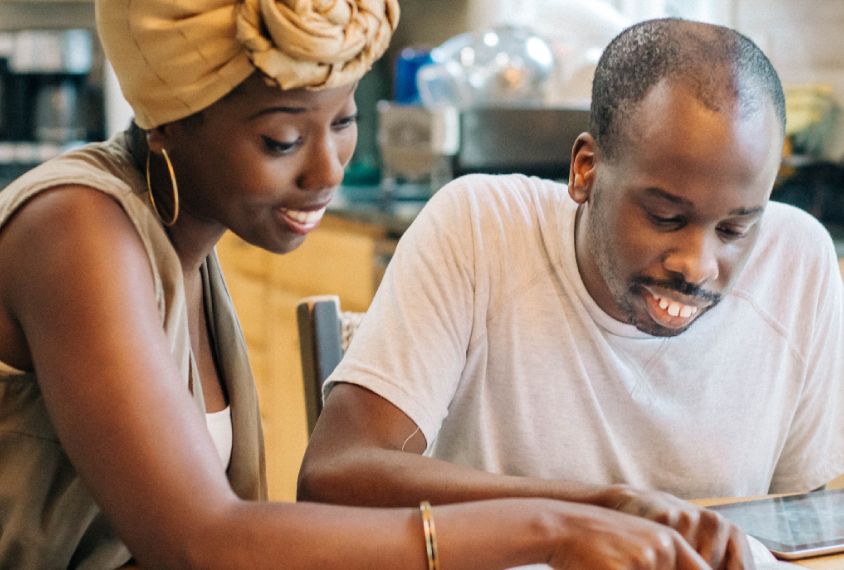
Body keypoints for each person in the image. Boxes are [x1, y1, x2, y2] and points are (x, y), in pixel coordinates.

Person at [0, 2, 731, 569]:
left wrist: (603, 506)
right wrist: (556, 528)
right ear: (169, 121)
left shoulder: (190, 243)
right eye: (282, 140)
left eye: (344, 121)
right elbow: (203, 543)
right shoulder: (76, 231)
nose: (327, 170)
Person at [300, 16, 844, 569]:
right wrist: (601, 511)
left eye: (735, 230)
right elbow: (336, 476)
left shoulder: (799, 262)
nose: (698, 267)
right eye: (664, 216)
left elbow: (801, 526)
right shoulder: (481, 229)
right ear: (585, 170)